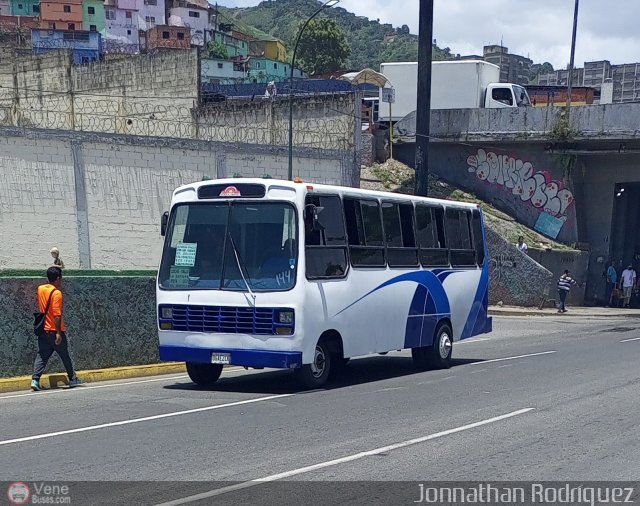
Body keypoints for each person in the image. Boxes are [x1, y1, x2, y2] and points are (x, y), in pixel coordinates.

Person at [31, 267, 84, 391]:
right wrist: (59, 333)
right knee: (65, 355)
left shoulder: (40, 289)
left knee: (42, 355)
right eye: (61, 278)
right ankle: (72, 379)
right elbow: (57, 315)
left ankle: (35, 380)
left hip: (43, 330)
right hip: (54, 330)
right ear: (58, 278)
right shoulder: (57, 293)